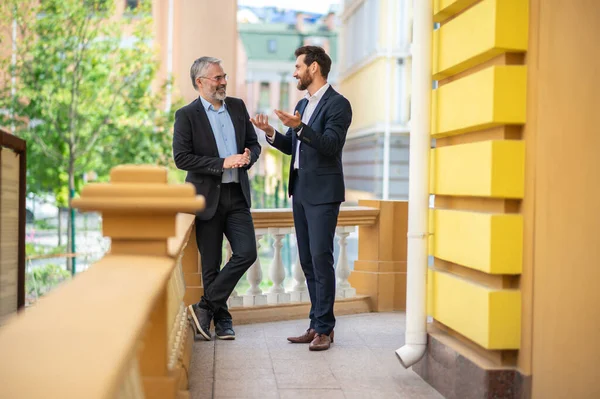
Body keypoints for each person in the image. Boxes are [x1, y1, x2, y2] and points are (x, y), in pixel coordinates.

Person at [250, 46, 352, 351]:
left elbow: (330, 145)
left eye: (298, 66)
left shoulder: (338, 104)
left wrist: (300, 127)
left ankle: (326, 328)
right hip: (301, 192)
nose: (295, 72)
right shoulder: (302, 104)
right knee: (307, 261)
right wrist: (270, 133)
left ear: (314, 68)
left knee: (322, 259)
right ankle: (315, 324)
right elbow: (294, 148)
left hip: (323, 194)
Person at [173, 56, 261, 341]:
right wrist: (222, 162)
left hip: (237, 196)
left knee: (247, 252)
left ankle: (204, 307)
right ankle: (222, 321)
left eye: (224, 77)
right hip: (206, 199)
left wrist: (248, 157)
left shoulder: (237, 106)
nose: (224, 82)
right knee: (210, 265)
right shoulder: (186, 115)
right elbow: (181, 158)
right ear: (200, 82)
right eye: (217, 78)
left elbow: (253, 143)